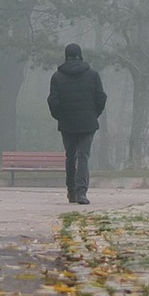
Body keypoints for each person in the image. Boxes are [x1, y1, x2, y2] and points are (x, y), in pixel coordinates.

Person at [47, 42, 108, 206]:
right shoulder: (93, 75)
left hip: (67, 123)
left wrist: (60, 116)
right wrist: (94, 114)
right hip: (88, 123)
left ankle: (71, 192)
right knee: (83, 157)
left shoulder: (57, 77)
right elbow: (101, 97)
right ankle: (82, 192)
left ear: (66, 55)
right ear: (80, 55)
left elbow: (53, 101)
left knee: (70, 157)